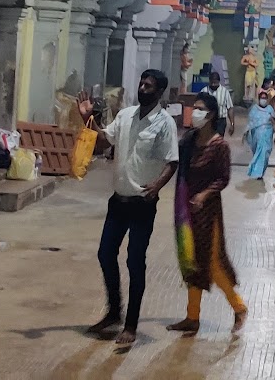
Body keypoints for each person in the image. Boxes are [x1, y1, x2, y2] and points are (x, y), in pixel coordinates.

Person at [81, 69, 179, 352]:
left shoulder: (164, 124)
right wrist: (88, 118)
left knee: (135, 261)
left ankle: (131, 324)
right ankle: (114, 311)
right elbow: (102, 140)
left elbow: (172, 161)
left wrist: (157, 186)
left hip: (142, 203)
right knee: (105, 253)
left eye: (149, 86)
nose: (143, 88)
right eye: (142, 83)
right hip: (118, 200)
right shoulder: (125, 115)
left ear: (159, 92)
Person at [167, 92, 248, 337]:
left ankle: (239, 307)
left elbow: (223, 179)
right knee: (190, 259)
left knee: (213, 263)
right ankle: (192, 317)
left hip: (208, 213)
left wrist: (203, 195)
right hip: (186, 211)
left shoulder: (219, 145)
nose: (195, 113)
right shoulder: (189, 141)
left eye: (200, 109)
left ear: (211, 114)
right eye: (194, 108)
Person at [244, 88, 275, 180]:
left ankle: (260, 172)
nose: (263, 100)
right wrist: (245, 133)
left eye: (265, 98)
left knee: (264, 154)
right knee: (258, 153)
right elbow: (250, 123)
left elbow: (274, 122)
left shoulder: (270, 109)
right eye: (262, 98)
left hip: (267, 135)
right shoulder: (254, 109)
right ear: (258, 99)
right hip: (256, 136)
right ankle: (257, 172)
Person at [211, 71, 234, 136]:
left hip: (220, 121)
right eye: (211, 82)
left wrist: (232, 124)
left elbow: (230, 108)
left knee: (218, 141)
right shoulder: (205, 91)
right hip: (208, 121)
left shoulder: (225, 92)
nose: (213, 85)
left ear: (218, 81)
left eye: (215, 83)